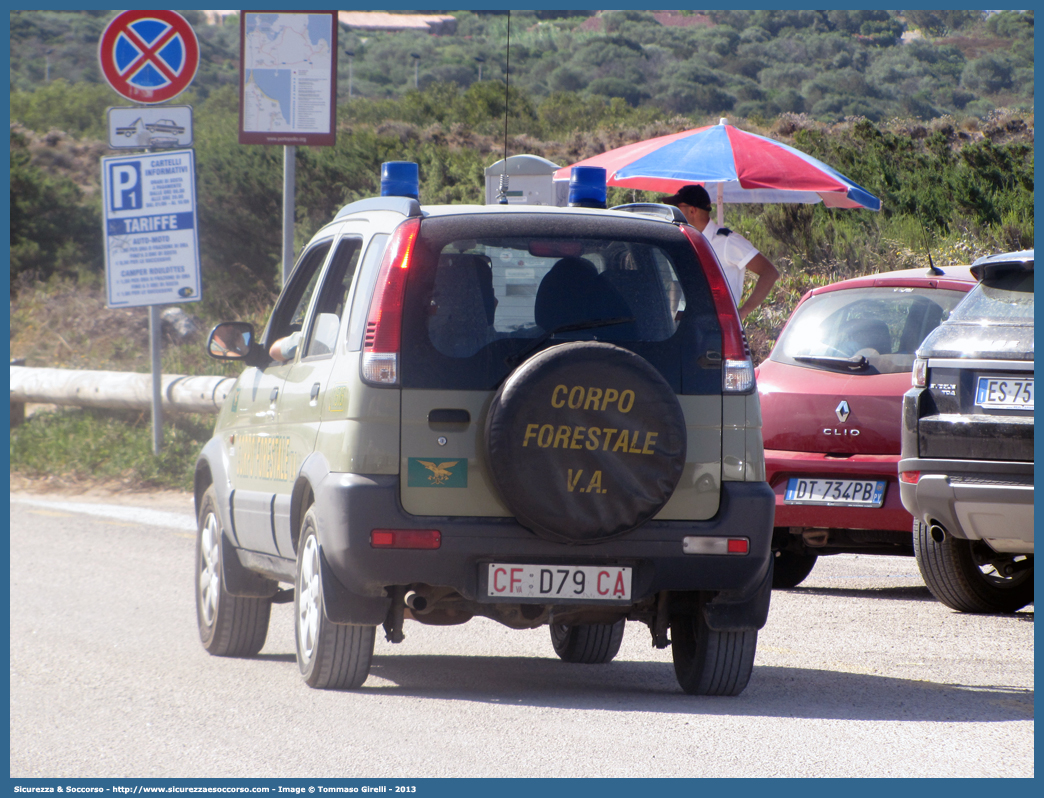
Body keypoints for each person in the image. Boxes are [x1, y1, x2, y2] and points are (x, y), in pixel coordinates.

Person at [663, 184, 779, 322]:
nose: (674, 214)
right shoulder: (683, 242)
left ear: (692, 210)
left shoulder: (727, 242)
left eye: (678, 208)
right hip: (687, 327)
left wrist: (743, 312)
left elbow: (770, 272)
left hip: (717, 330)